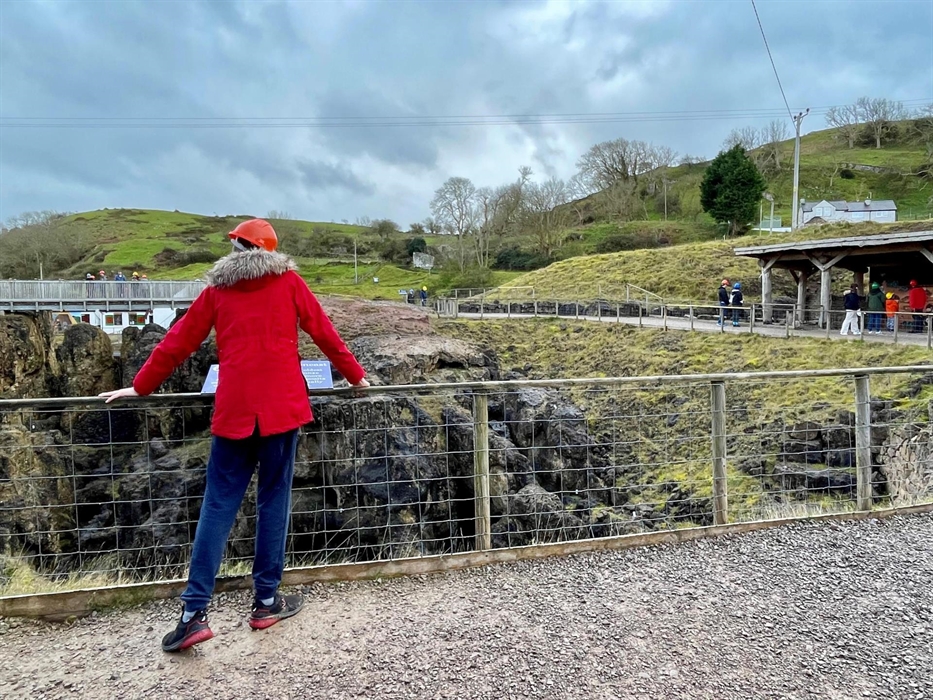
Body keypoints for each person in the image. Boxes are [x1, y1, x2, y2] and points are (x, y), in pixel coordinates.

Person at [99, 218, 370, 653]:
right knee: (273, 501)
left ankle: (192, 614)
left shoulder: (216, 291)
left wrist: (141, 386)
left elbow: (177, 342)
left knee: (217, 506)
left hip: (234, 411)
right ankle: (265, 602)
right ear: (270, 251)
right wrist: (356, 376)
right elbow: (324, 332)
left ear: (240, 249)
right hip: (281, 410)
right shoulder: (290, 284)